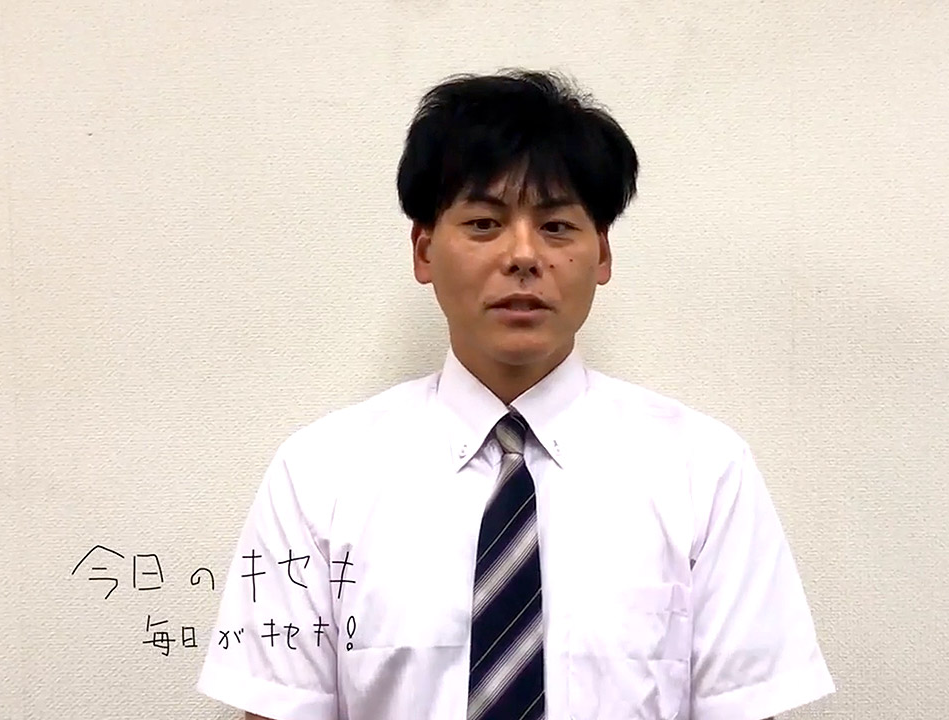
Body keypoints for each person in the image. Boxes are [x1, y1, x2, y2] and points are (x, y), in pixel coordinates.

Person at [195, 67, 835, 720]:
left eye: (556, 226)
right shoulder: (319, 476)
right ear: (423, 250)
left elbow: (743, 705)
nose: (523, 255)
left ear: (602, 255)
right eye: (483, 223)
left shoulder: (704, 471)